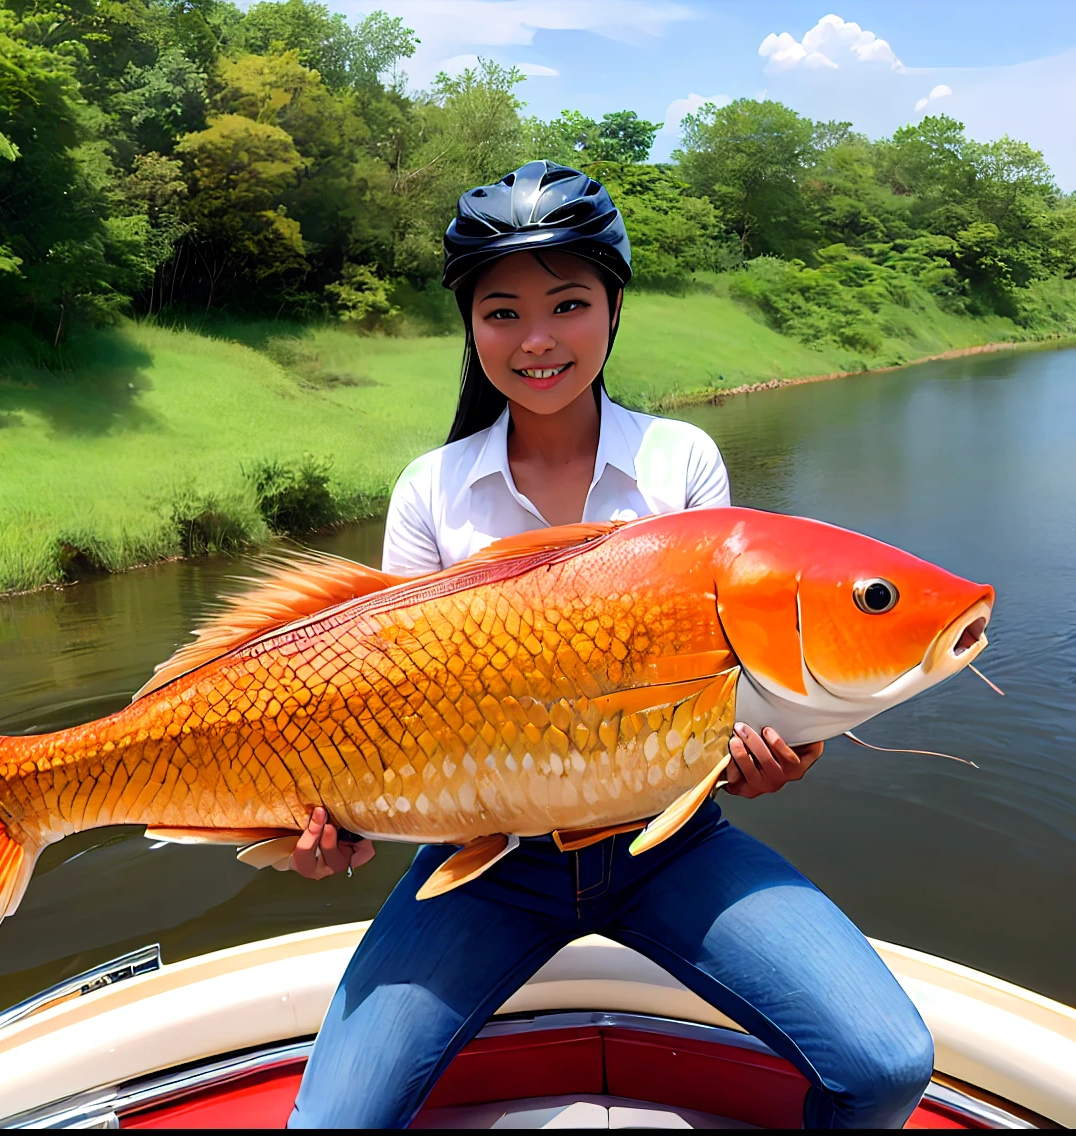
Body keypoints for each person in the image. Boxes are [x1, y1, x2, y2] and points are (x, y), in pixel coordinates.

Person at [282, 162, 935, 1129]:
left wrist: (778, 754)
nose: (537, 340)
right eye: (501, 312)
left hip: (668, 848)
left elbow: (741, 681)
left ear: (614, 310)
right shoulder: (431, 490)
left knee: (886, 1065)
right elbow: (390, 702)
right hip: (485, 862)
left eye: (570, 304)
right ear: (469, 328)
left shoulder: (681, 463)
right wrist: (334, 826)